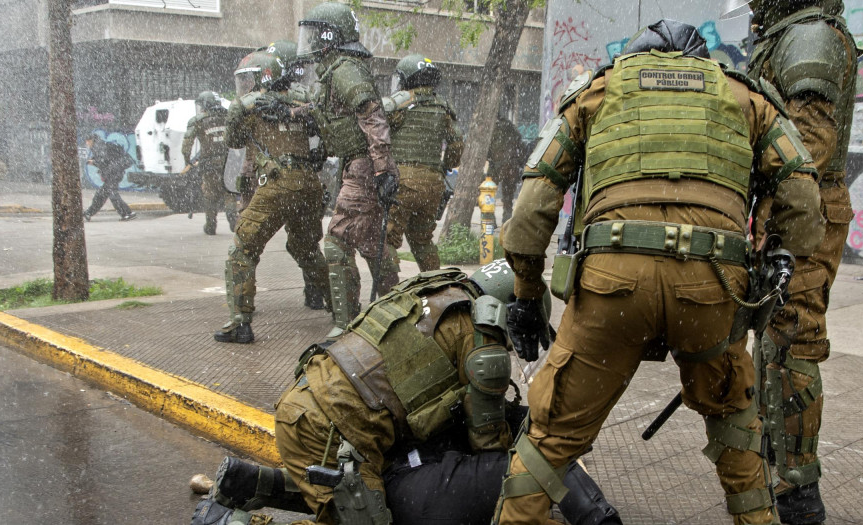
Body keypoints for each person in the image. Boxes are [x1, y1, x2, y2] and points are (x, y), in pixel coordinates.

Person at [492, 19, 825, 525]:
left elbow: (533, 206)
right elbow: (803, 197)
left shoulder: (596, 93)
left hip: (612, 284)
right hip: (711, 288)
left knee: (548, 443)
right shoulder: (746, 99)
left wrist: (524, 293)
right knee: (738, 435)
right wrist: (774, 259)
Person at [201, 261, 619, 525]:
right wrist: (517, 471)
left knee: (357, 496)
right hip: (338, 432)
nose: (514, 345)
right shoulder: (482, 336)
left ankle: (251, 483)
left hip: (310, 406)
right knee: (368, 514)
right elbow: (487, 442)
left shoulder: (439, 291)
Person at [739, 1, 858, 522]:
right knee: (772, 343)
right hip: (789, 207)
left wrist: (773, 204)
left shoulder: (810, 36)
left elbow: (811, 139)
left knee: (791, 343)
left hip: (802, 212)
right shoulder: (790, 33)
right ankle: (777, 471)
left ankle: (799, 495)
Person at [191, 402, 621, 525]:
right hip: (425, 492)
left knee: (348, 500)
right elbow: (553, 462)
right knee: (551, 464)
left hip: (385, 464)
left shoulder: (438, 327)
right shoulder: (478, 359)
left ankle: (250, 484)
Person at [212, 44, 331, 344]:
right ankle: (341, 308)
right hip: (308, 184)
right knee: (306, 250)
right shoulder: (304, 101)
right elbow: (325, 128)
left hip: (277, 184)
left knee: (242, 250)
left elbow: (234, 140)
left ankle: (240, 324)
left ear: (265, 75)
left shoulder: (251, 105)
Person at [296, 2, 400, 338]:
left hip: (364, 166)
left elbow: (372, 114)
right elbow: (336, 117)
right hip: (357, 164)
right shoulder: (336, 71)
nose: (308, 42)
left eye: (314, 34)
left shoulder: (344, 69)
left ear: (329, 35)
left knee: (339, 241)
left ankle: (347, 324)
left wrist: (383, 169)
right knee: (369, 241)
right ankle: (392, 310)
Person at [380, 53, 464, 273]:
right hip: (433, 184)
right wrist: (446, 165)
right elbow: (456, 143)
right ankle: (437, 287)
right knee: (423, 241)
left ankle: (390, 294)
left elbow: (375, 129)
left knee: (387, 240)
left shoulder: (399, 102)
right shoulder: (443, 106)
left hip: (403, 182)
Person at [183, 90, 238, 235]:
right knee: (229, 192)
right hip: (229, 164)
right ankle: (233, 218)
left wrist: (187, 160)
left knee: (210, 195)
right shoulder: (229, 117)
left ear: (205, 104)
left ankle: (211, 225)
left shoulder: (198, 121)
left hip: (209, 165)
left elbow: (187, 144)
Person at [487, 112, 529, 222]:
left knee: (489, 191)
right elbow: (519, 143)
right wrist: (519, 161)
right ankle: (507, 218)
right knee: (508, 195)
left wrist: (490, 158)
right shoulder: (509, 125)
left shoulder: (491, 127)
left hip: (495, 165)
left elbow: (487, 148)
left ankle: (489, 218)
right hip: (511, 164)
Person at [83, 134, 136, 222]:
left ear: (91, 140)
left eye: (87, 142)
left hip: (114, 173)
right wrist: (94, 161)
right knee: (101, 194)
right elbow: (105, 158)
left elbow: (103, 161)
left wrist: (94, 162)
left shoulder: (99, 147)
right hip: (114, 172)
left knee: (112, 194)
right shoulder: (99, 146)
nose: (87, 144)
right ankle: (89, 212)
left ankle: (127, 213)